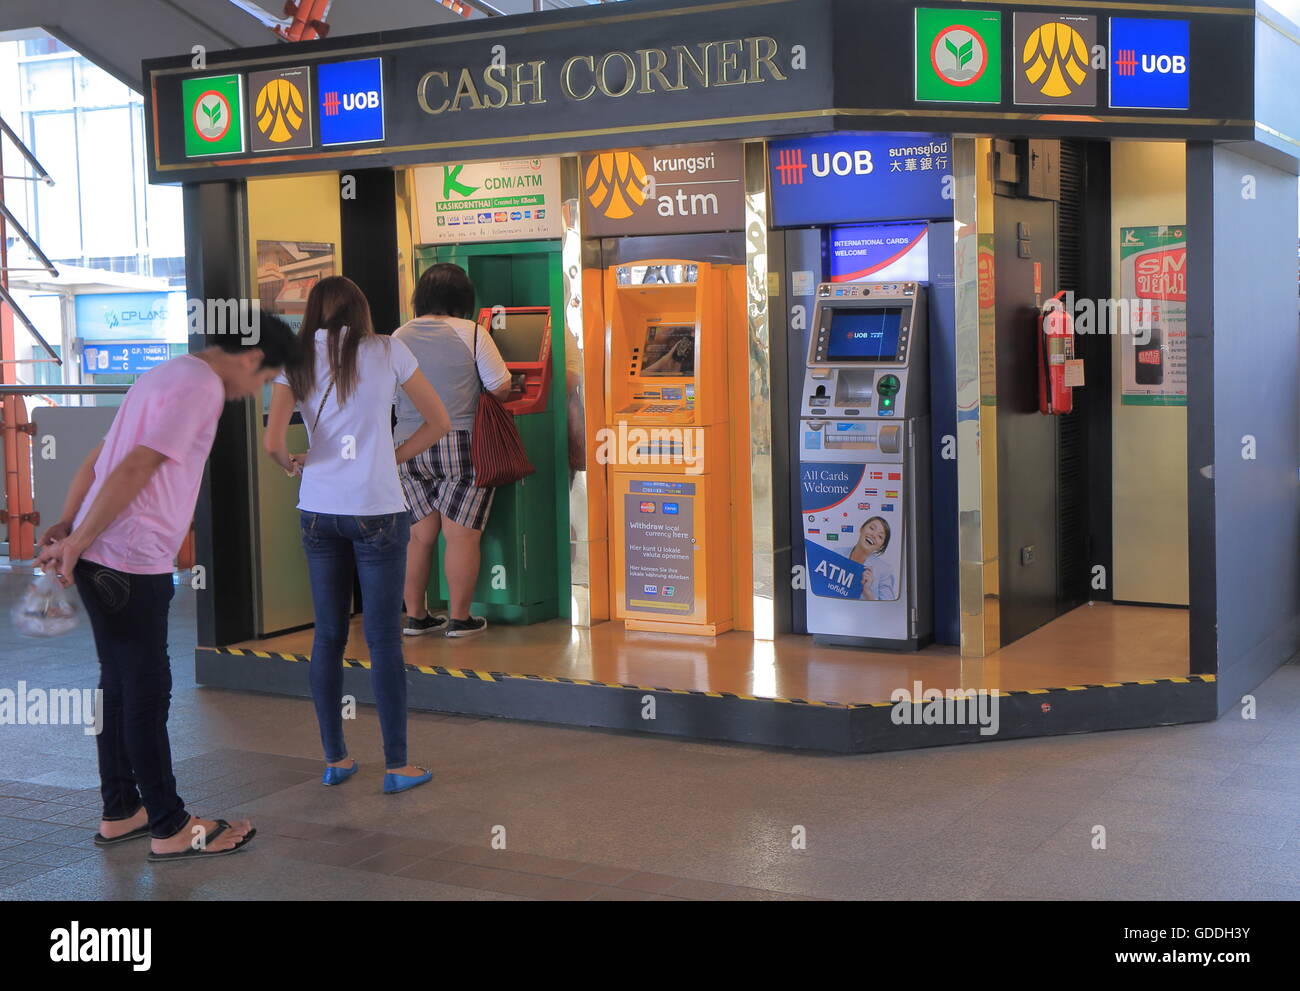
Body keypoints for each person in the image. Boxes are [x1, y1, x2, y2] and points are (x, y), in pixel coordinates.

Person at [35, 313, 301, 862]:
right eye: (263, 382)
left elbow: (97, 459)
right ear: (253, 361)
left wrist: (67, 524)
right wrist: (79, 539)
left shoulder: (164, 374)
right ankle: (171, 825)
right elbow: (135, 466)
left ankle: (120, 811)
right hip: (129, 559)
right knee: (146, 693)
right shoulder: (202, 388)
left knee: (118, 684)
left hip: (101, 554)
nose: (252, 394)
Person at [264, 276, 450, 795]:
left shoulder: (293, 357)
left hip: (319, 510)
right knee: (384, 640)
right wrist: (391, 457)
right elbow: (438, 421)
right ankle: (397, 766)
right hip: (377, 508)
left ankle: (335, 759)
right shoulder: (389, 349)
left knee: (328, 636)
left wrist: (296, 464)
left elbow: (273, 442)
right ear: (362, 309)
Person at [393, 263, 511, 639]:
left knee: (417, 535)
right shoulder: (473, 333)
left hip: (408, 446)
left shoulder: (398, 336)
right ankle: (460, 619)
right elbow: (500, 386)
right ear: (463, 298)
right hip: (460, 440)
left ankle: (416, 616)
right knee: (460, 536)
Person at [849, 516, 897, 602]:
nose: (874, 535)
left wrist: (867, 592)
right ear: (861, 529)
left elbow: (886, 609)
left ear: (881, 546)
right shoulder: (837, 553)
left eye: (880, 536)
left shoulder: (885, 571)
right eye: (871, 528)